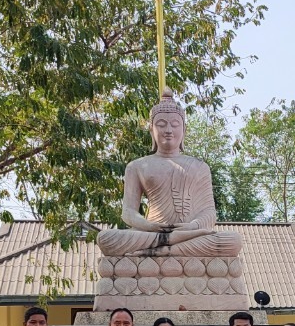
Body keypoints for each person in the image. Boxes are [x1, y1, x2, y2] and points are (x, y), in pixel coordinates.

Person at [96, 91, 242, 258]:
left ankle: (166, 251)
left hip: (189, 234)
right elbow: (128, 212)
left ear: (184, 129)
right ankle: (166, 246)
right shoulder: (137, 166)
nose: (168, 130)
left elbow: (208, 212)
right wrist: (148, 225)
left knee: (233, 240)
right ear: (151, 129)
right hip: (152, 233)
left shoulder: (200, 167)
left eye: (174, 124)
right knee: (106, 238)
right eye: (161, 124)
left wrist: (193, 226)